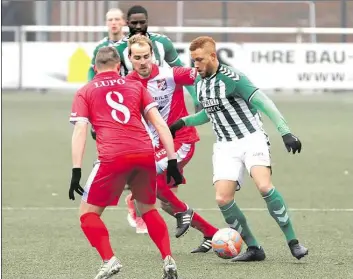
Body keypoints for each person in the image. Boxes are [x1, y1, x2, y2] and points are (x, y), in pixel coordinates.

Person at [169, 36, 309, 262]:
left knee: (264, 186)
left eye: (199, 60)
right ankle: (254, 248)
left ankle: (293, 242)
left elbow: (264, 102)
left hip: (251, 138)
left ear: (213, 56)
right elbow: (210, 112)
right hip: (225, 146)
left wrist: (285, 131)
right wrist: (183, 122)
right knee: (223, 199)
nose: (195, 65)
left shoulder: (234, 78)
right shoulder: (200, 81)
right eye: (193, 60)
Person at [69, 46, 180, 279]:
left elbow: (81, 129)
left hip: (112, 156)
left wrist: (76, 170)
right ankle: (168, 258)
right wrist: (172, 160)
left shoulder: (85, 90)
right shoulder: (135, 86)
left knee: (87, 213)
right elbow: (160, 124)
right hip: (144, 153)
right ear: (119, 66)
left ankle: (109, 260)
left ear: (93, 68)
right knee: (147, 209)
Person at [125, 34, 219, 252]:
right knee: (166, 202)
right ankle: (211, 233)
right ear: (130, 58)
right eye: (137, 57)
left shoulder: (171, 74)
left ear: (153, 56)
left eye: (146, 56)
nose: (142, 61)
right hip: (156, 146)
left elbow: (204, 73)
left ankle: (184, 212)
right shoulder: (128, 83)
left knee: (149, 183)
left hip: (181, 140)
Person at [87, 8, 126, 81]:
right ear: (106, 23)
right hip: (105, 87)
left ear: (123, 22)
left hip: (126, 88)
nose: (113, 22)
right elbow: (92, 69)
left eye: (117, 19)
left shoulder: (130, 44)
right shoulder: (100, 47)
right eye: (110, 20)